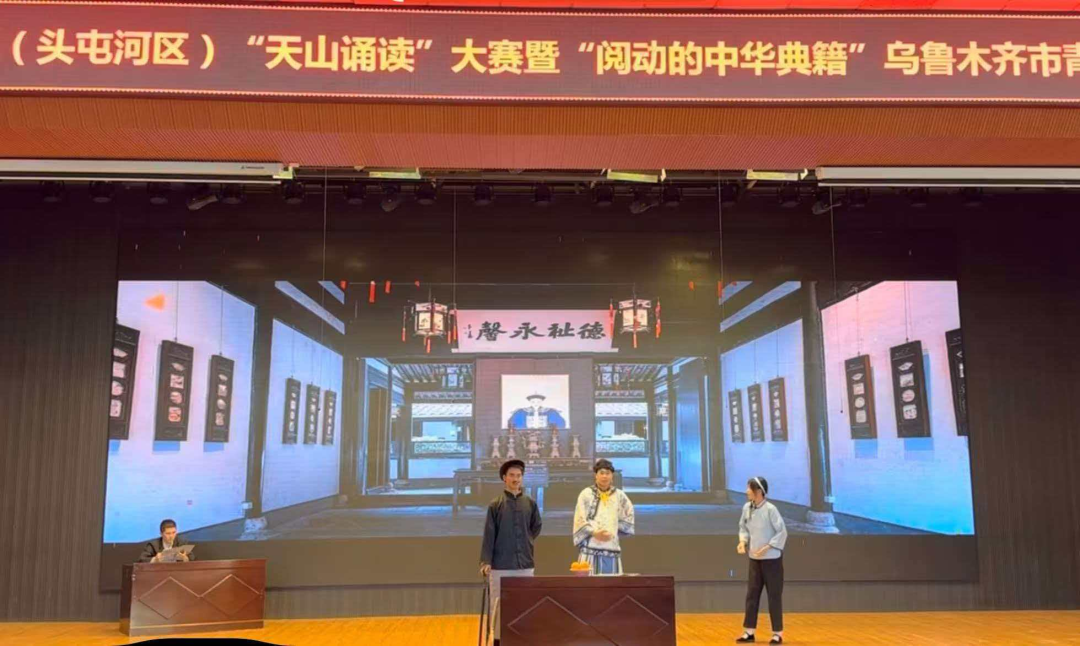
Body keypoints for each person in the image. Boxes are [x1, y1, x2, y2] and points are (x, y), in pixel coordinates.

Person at [479, 459, 542, 646]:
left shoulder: (530, 503)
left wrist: (524, 541)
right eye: (512, 475)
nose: (516, 479)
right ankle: (498, 641)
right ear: (504, 478)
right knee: (499, 606)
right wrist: (486, 561)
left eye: (519, 476)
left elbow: (536, 527)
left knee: (525, 605)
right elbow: (489, 535)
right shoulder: (495, 505)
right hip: (500, 565)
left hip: (525, 564)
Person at [735, 477, 788, 644]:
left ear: (759, 491)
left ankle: (777, 633)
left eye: (749, 488)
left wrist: (768, 546)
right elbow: (743, 527)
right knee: (752, 594)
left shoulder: (771, 509)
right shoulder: (747, 508)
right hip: (754, 559)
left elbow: (782, 531)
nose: (746, 491)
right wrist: (743, 542)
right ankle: (749, 631)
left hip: (772, 560)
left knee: (774, 596)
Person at [573, 458, 635, 574]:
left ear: (612, 476)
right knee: (588, 583)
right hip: (590, 548)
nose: (604, 476)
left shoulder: (620, 495)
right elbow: (579, 518)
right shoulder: (586, 494)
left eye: (608, 473)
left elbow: (629, 513)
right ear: (595, 475)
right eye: (601, 473)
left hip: (611, 547)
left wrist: (614, 528)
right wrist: (594, 532)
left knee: (612, 583)